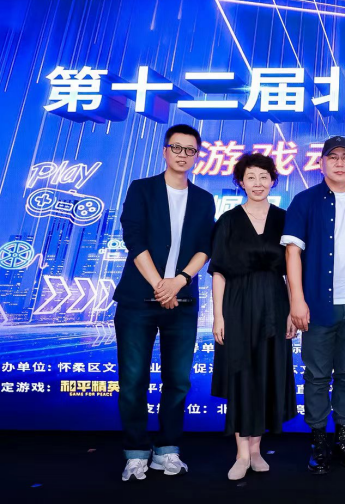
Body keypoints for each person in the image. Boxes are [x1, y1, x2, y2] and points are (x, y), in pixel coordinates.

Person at [113, 124, 216, 481]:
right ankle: (136, 452)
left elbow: (205, 246)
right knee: (133, 380)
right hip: (137, 302)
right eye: (177, 147)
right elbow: (134, 239)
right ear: (165, 150)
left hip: (182, 301)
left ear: (197, 155)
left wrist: (179, 282)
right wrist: (160, 285)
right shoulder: (141, 189)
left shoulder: (203, 198)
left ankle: (168, 449)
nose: (183, 155)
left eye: (191, 150)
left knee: (177, 381)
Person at [282, 136, 345, 474]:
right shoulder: (305, 200)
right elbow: (292, 252)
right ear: (321, 163)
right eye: (333, 157)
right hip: (318, 304)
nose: (340, 163)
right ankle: (319, 439)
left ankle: (342, 436)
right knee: (317, 375)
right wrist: (296, 300)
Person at [210, 153, 297, 480]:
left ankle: (257, 449)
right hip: (237, 305)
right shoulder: (228, 221)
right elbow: (218, 272)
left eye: (264, 177)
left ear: (273, 181)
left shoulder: (285, 219)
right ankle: (241, 453)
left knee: (267, 373)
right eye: (251, 177)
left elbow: (293, 271)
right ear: (240, 182)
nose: (258, 183)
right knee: (242, 374)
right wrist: (218, 316)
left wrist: (292, 310)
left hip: (275, 304)